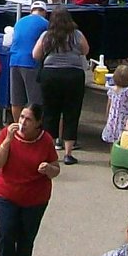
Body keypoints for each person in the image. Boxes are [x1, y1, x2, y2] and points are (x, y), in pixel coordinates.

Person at [0, 103, 59, 256]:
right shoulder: (7, 134)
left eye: (28, 119)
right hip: (6, 193)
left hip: (35, 198)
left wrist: (48, 169)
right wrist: (7, 142)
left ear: (38, 123)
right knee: (6, 234)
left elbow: (56, 169)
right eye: (21, 117)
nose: (22, 122)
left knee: (26, 238)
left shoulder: (45, 140)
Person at [33, 9, 91, 166]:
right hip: (73, 75)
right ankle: (68, 153)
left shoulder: (46, 36)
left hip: (50, 75)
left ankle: (49, 152)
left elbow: (36, 54)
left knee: (50, 112)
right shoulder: (76, 34)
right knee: (71, 113)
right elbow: (86, 50)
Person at [9, 0, 49, 113]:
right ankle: (33, 129)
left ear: (31, 11)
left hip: (14, 60)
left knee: (16, 100)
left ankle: (18, 127)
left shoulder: (19, 22)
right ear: (45, 12)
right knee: (35, 102)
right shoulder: (45, 23)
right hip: (31, 62)